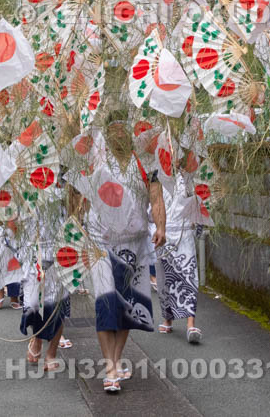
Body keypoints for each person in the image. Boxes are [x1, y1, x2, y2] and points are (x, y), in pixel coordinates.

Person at [73, 121, 165, 393]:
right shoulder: (96, 160)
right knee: (105, 301)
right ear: (107, 133)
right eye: (112, 129)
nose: (118, 134)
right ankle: (110, 366)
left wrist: (160, 226)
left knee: (128, 306)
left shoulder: (145, 161)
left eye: (122, 128)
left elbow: (156, 198)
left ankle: (116, 359)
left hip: (135, 246)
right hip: (101, 244)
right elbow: (78, 194)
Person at [21, 175, 73, 371]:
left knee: (59, 302)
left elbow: (75, 212)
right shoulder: (24, 185)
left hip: (61, 247)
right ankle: (36, 339)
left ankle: (51, 353)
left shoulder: (64, 182)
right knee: (34, 302)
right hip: (34, 248)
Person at [155, 172, 203, 343]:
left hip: (184, 233)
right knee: (164, 280)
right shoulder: (157, 178)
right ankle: (168, 318)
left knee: (189, 275)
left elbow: (200, 201)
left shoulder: (189, 178)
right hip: (164, 233)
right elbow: (152, 205)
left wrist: (197, 218)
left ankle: (191, 324)